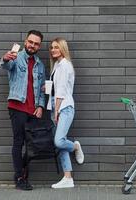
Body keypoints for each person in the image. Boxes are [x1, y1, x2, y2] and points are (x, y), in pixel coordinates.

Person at [0, 30, 46, 190]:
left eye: (36, 44)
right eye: (30, 42)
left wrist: (40, 106)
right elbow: (6, 65)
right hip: (17, 107)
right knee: (18, 142)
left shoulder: (40, 64)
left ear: (39, 46)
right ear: (26, 41)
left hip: (33, 111)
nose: (32, 45)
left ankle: (22, 174)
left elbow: (41, 89)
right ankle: (20, 178)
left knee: (32, 145)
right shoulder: (16, 57)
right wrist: (5, 58)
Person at [47, 37, 84, 189]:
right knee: (60, 143)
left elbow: (62, 91)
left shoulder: (65, 65)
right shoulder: (57, 65)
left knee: (59, 141)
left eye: (56, 47)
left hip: (64, 108)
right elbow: (57, 88)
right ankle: (68, 178)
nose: (53, 50)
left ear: (63, 49)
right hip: (56, 106)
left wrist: (56, 111)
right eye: (51, 47)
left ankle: (75, 146)